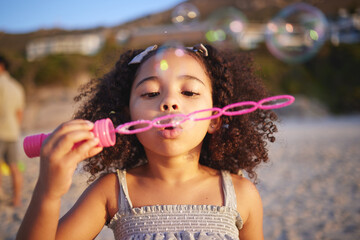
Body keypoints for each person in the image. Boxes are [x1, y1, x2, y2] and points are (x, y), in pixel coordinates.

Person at [17, 43, 278, 239]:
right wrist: (48, 192)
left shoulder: (241, 194)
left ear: (214, 119)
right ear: (127, 117)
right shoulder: (112, 192)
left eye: (188, 91)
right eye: (151, 92)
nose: (169, 102)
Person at [0, 55, 25, 207]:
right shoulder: (17, 87)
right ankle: (17, 199)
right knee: (14, 167)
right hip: (12, 131)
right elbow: (19, 113)